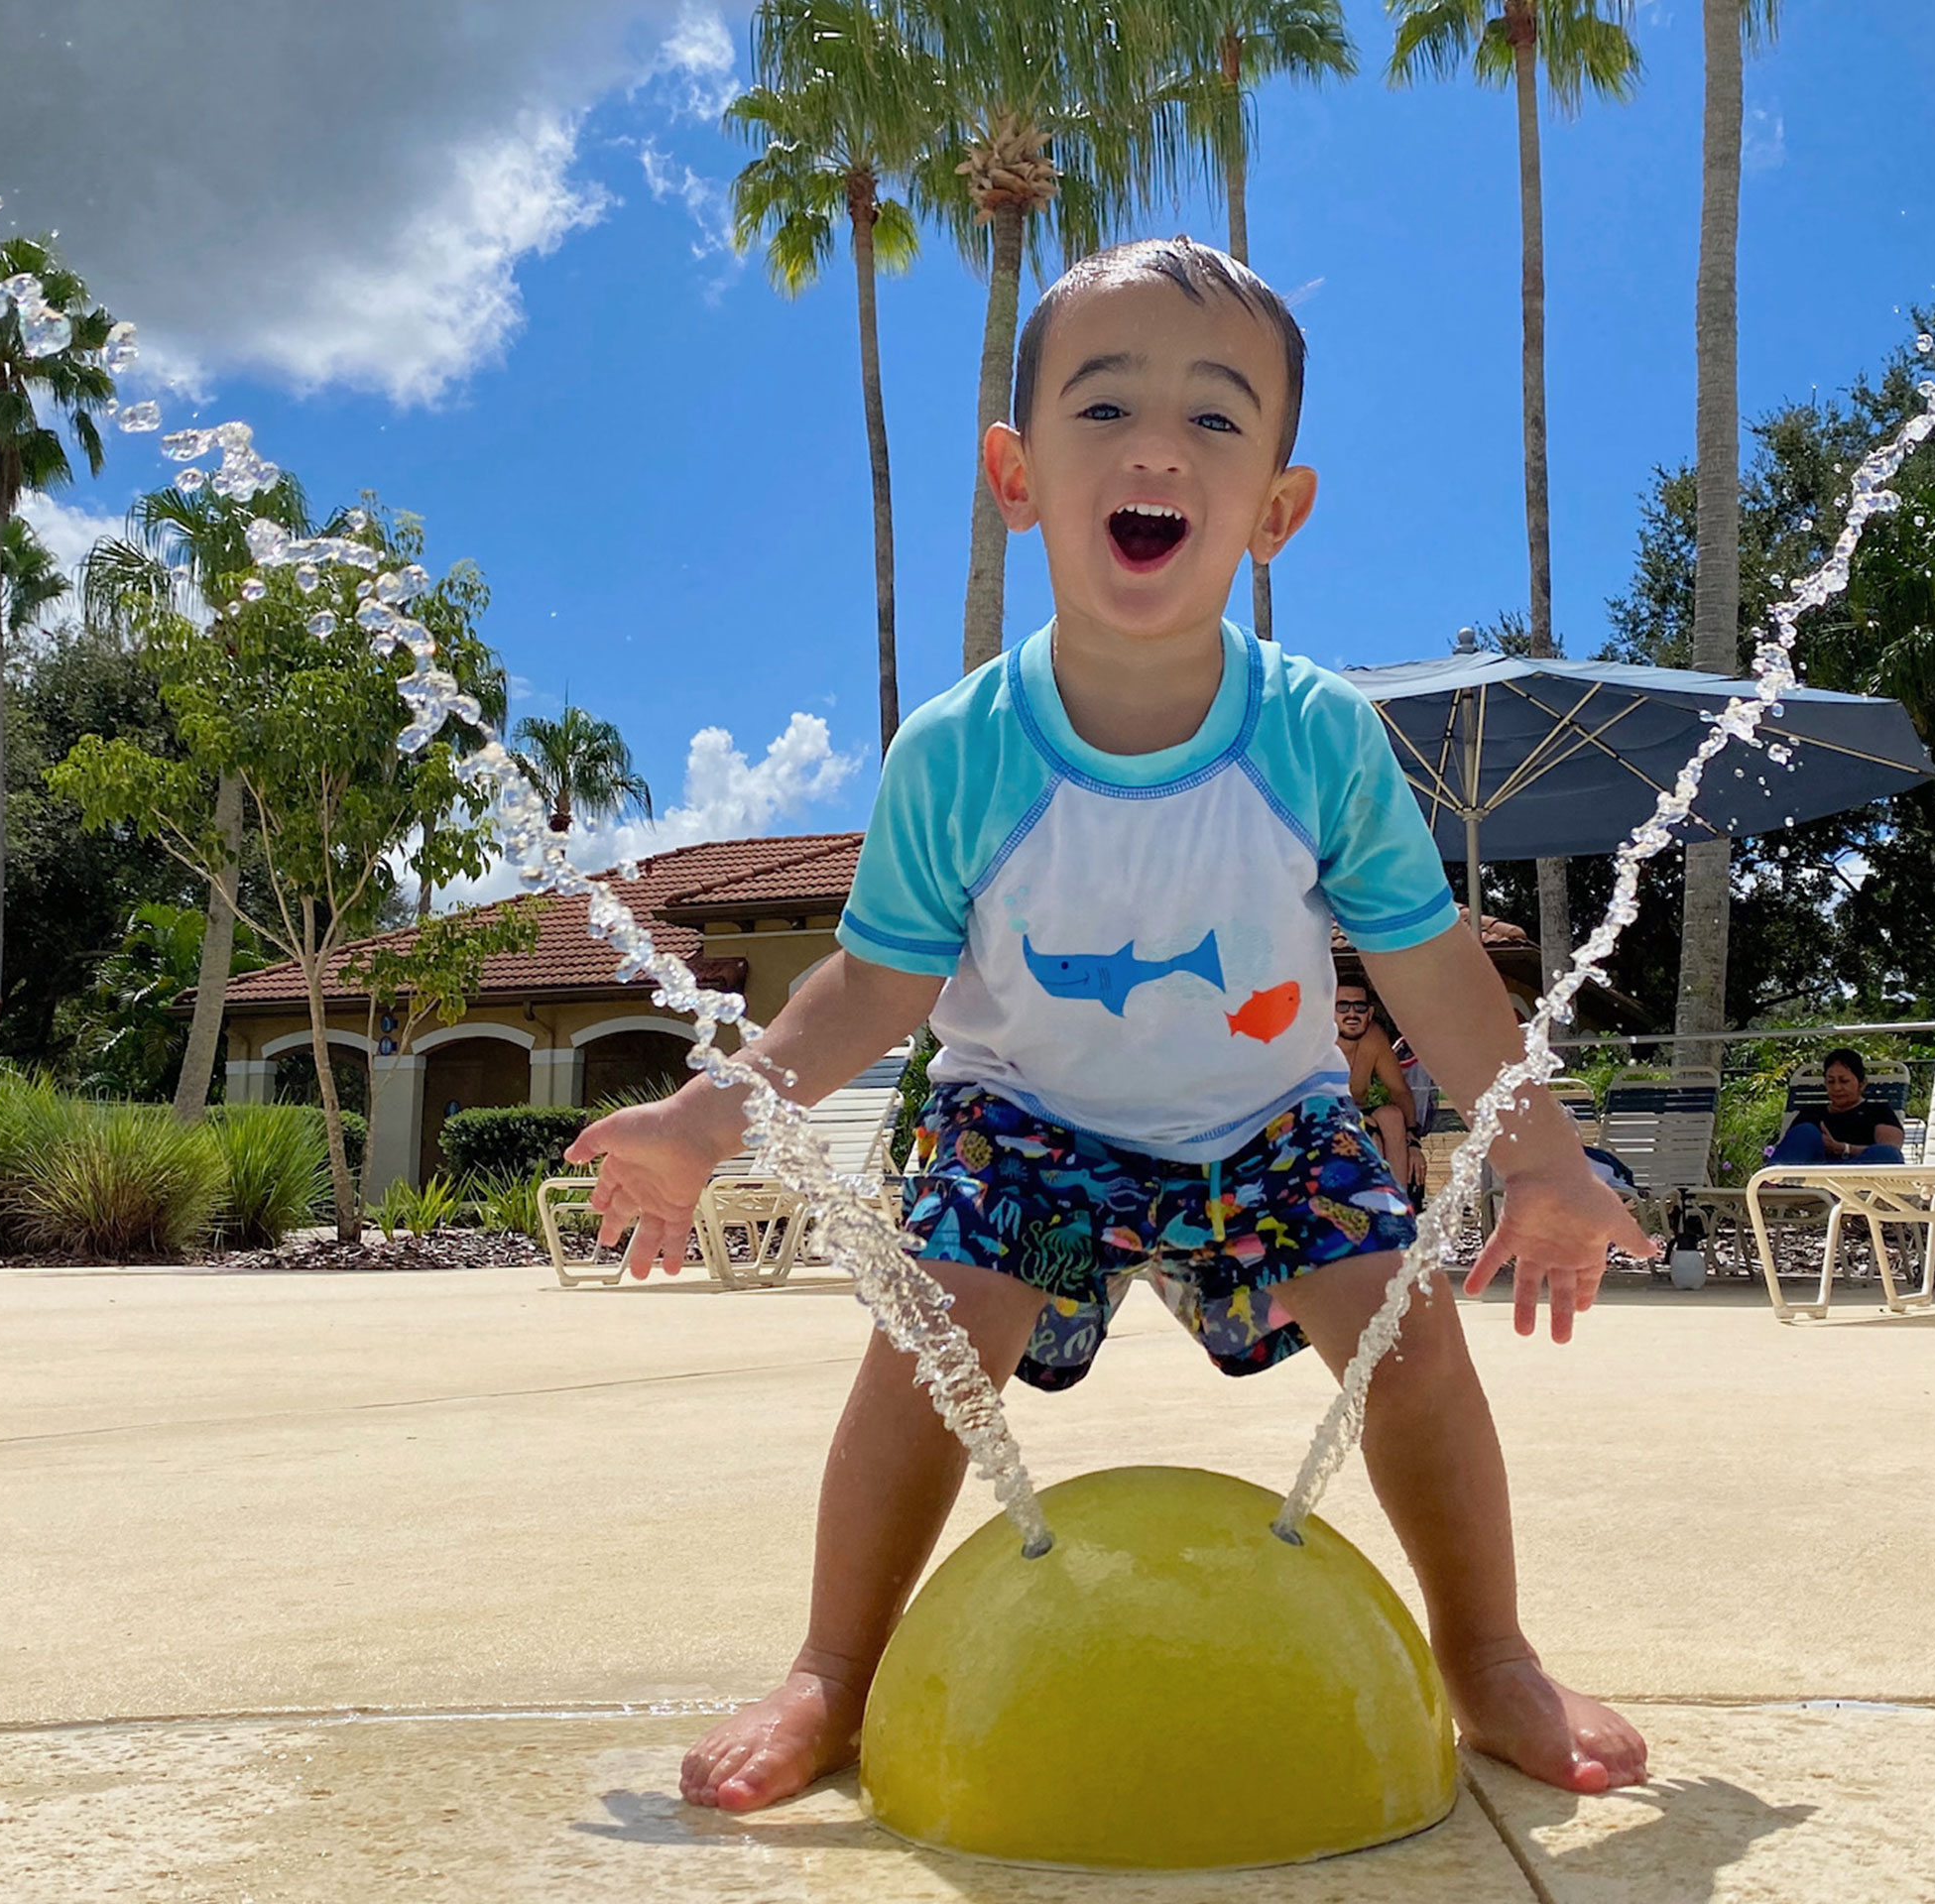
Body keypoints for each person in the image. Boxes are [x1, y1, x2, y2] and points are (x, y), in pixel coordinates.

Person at [565, 237, 1655, 1817]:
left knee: (1410, 1343)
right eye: (1105, 407)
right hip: (1025, 1126)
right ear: (1017, 475)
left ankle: (1486, 1650)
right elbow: (871, 988)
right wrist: (703, 1116)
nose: (1157, 446)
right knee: (929, 1350)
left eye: (1217, 420)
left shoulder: (1316, 740)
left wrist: (1540, 1160)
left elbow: (1430, 974)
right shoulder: (962, 752)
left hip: (1271, 1128)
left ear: (1277, 508)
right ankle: (833, 1671)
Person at [1335, 980, 1419, 1196]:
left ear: (1370, 1013)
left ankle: (1399, 1204)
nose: (1351, 1014)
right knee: (1372, 1143)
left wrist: (1413, 1143)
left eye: (1359, 1007)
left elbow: (1399, 1090)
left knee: (1391, 1116)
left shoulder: (1374, 1038)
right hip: (1323, 1119)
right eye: (1342, 1006)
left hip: (1359, 1115)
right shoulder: (1316, 1041)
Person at [1767, 1047, 1905, 1165]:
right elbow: (1793, 1151)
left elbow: (1891, 1150)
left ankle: (1837, 1189)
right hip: (1814, 1176)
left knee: (1887, 1154)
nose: (1837, 1088)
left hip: (1859, 1174)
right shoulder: (1810, 1114)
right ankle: (1772, 1184)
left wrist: (1844, 1148)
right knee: (1805, 1131)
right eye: (1831, 1081)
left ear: (1862, 1083)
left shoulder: (1878, 1111)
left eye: (1844, 1081)